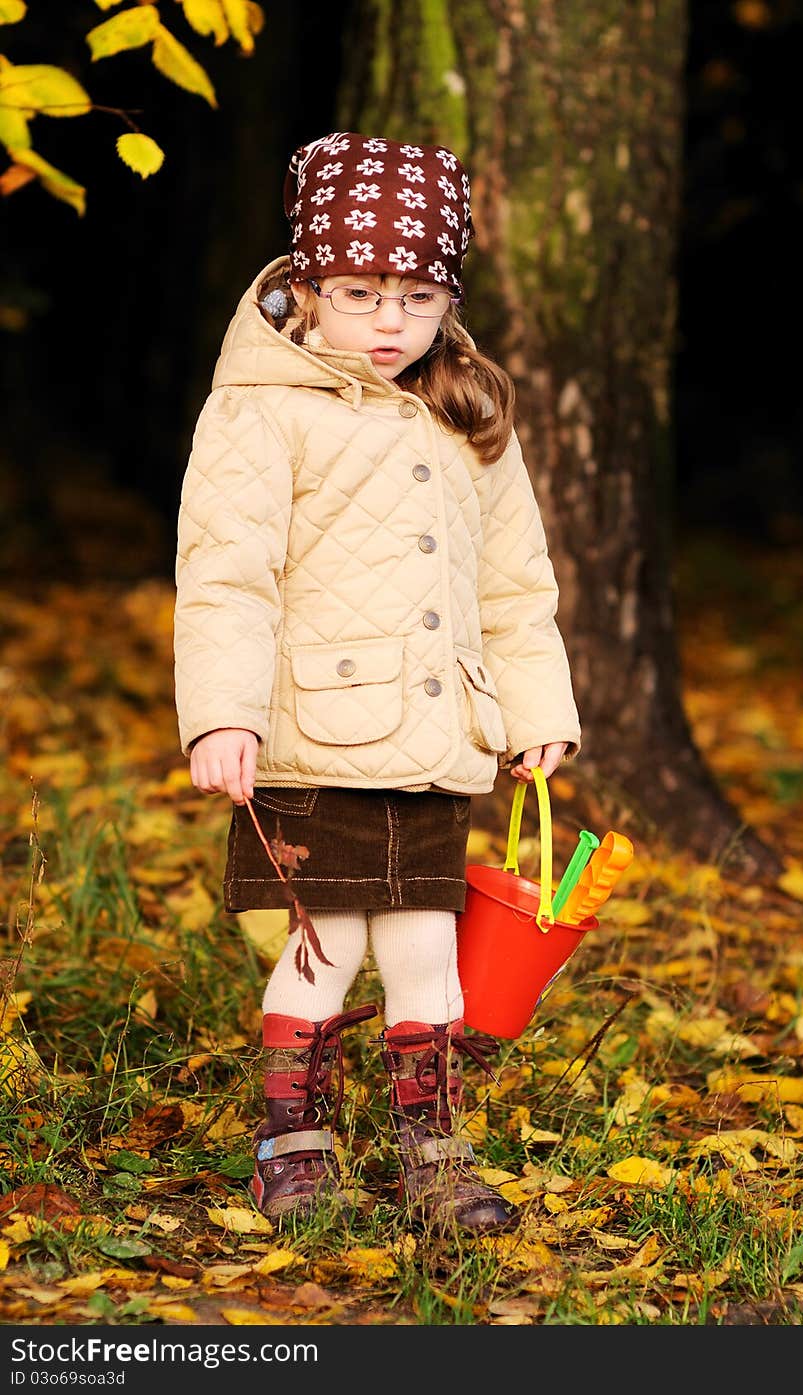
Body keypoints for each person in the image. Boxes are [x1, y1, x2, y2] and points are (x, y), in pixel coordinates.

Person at [173, 130, 581, 1233]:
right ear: (303, 290)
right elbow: (228, 574)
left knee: (426, 951)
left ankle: (433, 1155)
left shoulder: (467, 415)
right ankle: (291, 1146)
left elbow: (515, 586)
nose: (390, 322)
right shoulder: (259, 406)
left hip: (436, 747)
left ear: (447, 299)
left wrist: (538, 712)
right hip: (312, 737)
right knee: (328, 947)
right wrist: (223, 715)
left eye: (416, 296)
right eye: (358, 292)